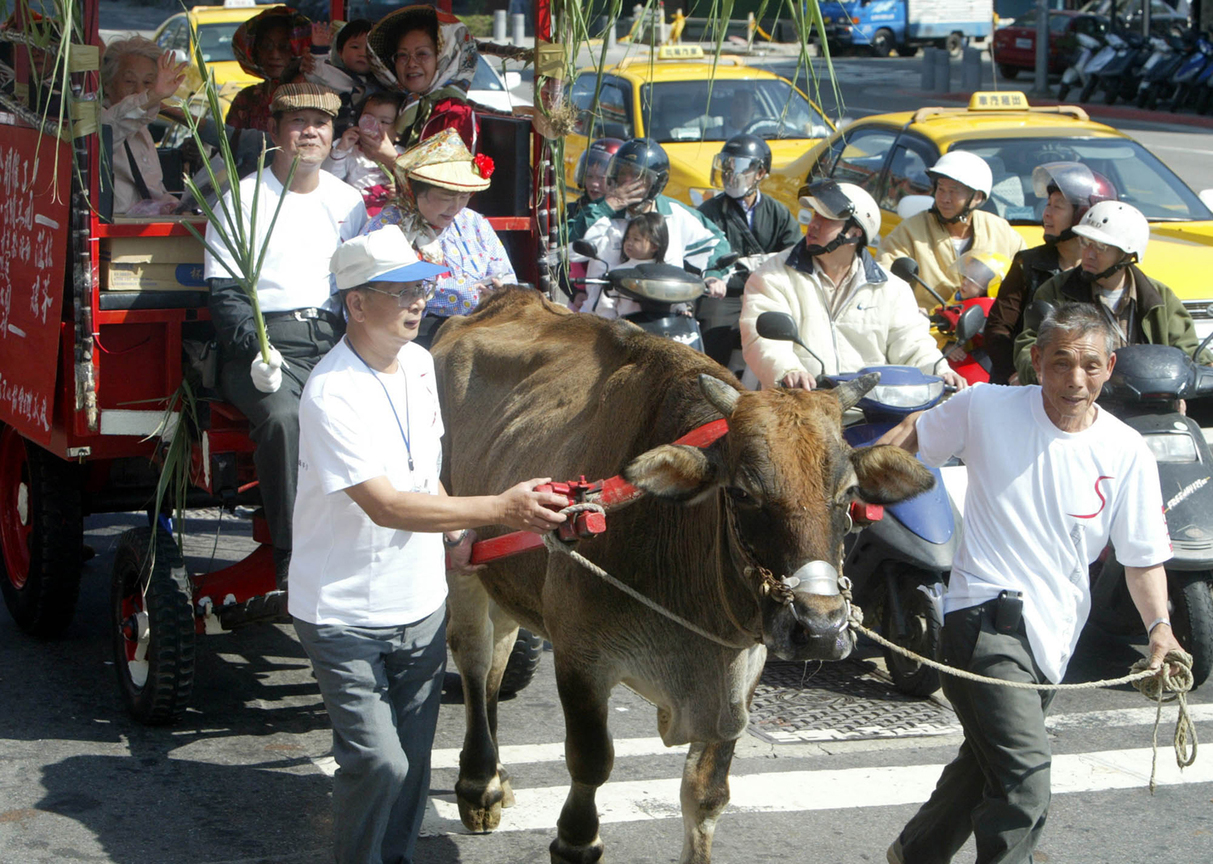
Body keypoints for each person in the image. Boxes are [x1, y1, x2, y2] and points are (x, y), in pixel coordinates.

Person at [293, 229, 568, 864]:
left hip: (419, 606)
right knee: (379, 763)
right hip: (343, 614)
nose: (419, 302)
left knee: (414, 768)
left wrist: (459, 531)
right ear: (356, 305)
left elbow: (424, 474)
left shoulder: (420, 363)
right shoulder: (333, 393)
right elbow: (386, 503)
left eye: (422, 287)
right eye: (400, 291)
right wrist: (502, 506)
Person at [879, 301, 1182, 864]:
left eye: (1090, 365)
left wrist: (1160, 629)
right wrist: (852, 483)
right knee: (1025, 779)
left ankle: (914, 853)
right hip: (982, 620)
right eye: (1061, 362)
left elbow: (1143, 558)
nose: (1075, 379)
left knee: (987, 761)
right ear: (1036, 360)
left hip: (1054, 634)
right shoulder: (985, 406)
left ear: (1110, 367)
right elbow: (914, 435)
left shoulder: (1125, 450)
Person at [203, 83, 367, 593]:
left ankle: (374, 539)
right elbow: (226, 295)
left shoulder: (350, 201)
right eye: (297, 123)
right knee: (285, 418)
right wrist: (257, 348)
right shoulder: (242, 199)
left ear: (333, 134)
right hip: (263, 342)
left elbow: (362, 287)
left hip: (333, 338)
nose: (309, 133)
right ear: (274, 132)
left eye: (320, 124)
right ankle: (293, 553)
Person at [740, 180, 967, 391]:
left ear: (855, 233)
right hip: (800, 408)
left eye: (827, 218)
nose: (814, 224)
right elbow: (762, 341)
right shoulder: (772, 275)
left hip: (872, 409)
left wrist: (940, 371)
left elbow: (912, 344)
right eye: (815, 215)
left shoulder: (892, 289)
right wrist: (788, 371)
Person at [1013, 201, 1208, 384]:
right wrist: (1039, 372)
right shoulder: (1055, 290)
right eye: (1085, 242)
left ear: (1127, 254)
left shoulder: (1159, 298)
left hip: (1147, 399)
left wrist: (1202, 368)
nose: (1089, 253)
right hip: (1078, 396)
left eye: (1101, 247)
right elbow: (1029, 345)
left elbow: (1189, 351)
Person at [364, 128, 514, 345]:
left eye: (464, 197)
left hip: (481, 335)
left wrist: (501, 292)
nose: (455, 207)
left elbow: (505, 275)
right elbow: (390, 291)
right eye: (446, 197)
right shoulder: (386, 228)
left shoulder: (474, 223)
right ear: (415, 191)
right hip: (413, 339)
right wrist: (472, 294)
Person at [985, 162, 1117, 384]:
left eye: (1058, 206)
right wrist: (1016, 375)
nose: (1046, 213)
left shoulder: (1107, 271)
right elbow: (999, 330)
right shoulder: (1028, 263)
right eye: (1047, 204)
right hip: (1031, 385)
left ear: (1083, 214)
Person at [572, 138, 732, 299]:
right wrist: (609, 206)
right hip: (607, 314)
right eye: (622, 174)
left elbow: (716, 242)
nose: (627, 182)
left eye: (637, 176)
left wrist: (713, 275)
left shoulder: (675, 214)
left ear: (656, 183)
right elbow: (564, 249)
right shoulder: (600, 211)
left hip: (664, 312)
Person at [697, 134, 801, 366]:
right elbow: (698, 256)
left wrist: (753, 264)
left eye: (740, 167)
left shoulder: (778, 212)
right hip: (726, 295)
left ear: (761, 173)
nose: (730, 173)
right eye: (727, 165)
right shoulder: (707, 211)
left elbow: (794, 254)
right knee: (713, 331)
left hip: (767, 290)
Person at [877, 150, 1026, 308]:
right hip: (927, 328)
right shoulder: (909, 232)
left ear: (977, 197)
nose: (944, 199)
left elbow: (1025, 281)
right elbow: (884, 281)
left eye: (954, 191)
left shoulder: (1001, 232)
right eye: (940, 189)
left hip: (988, 327)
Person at [364, 4, 478, 153]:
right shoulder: (387, 104)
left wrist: (390, 160)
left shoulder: (456, 113)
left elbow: (449, 175)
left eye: (422, 54)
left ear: (445, 57)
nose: (411, 63)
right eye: (403, 55)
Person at [99, 37, 186, 216]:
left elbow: (153, 192)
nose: (139, 91)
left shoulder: (142, 129)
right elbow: (112, 126)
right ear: (107, 85)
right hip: (116, 232)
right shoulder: (100, 117)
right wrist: (153, 95)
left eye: (147, 83)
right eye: (129, 82)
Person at [226, 5, 313, 133]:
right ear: (256, 52)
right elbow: (228, 144)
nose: (274, 55)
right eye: (266, 46)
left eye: (284, 46)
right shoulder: (246, 99)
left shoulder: (314, 95)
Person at [323, 91, 405, 215]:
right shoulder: (350, 150)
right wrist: (341, 150)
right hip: (352, 216)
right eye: (368, 118)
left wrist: (401, 193)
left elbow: (416, 189)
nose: (374, 125)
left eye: (384, 122)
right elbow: (329, 181)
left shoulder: (404, 156)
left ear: (399, 132)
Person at [581, 212, 669, 317]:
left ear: (654, 246)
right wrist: (613, 326)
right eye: (627, 238)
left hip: (663, 328)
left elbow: (676, 297)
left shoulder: (667, 272)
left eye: (636, 239)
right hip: (627, 329)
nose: (629, 243)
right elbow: (605, 306)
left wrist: (681, 310)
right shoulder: (618, 273)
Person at [305, 18, 382, 134]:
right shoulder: (333, 74)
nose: (362, 53)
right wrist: (319, 50)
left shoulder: (384, 83)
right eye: (355, 47)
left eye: (369, 49)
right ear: (340, 52)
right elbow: (316, 71)